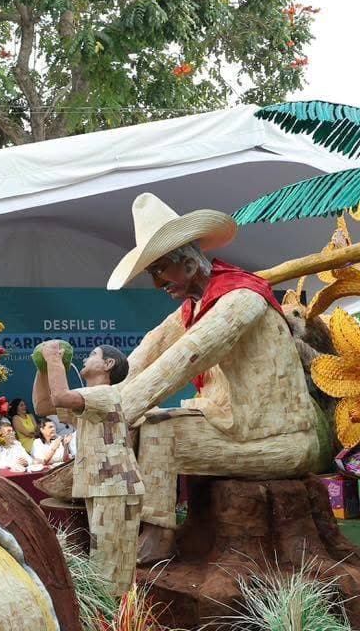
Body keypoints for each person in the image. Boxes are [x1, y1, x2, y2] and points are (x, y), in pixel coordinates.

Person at [107, 193, 322, 564]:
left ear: (188, 263)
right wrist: (105, 397)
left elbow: (187, 357)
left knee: (162, 433)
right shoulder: (197, 305)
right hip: (234, 428)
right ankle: (136, 523)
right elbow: (150, 349)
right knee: (148, 425)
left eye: (160, 270)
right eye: (153, 273)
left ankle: (158, 535)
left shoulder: (241, 299)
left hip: (280, 439)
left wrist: (116, 409)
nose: (158, 283)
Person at [34, 343, 143, 596]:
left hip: (115, 485)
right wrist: (42, 367)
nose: (85, 358)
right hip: (103, 486)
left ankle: (117, 619)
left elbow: (60, 396)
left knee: (111, 566)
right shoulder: (88, 400)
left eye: (93, 354)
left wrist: (53, 359)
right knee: (106, 562)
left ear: (108, 365)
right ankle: (114, 617)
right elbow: (43, 406)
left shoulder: (105, 394)